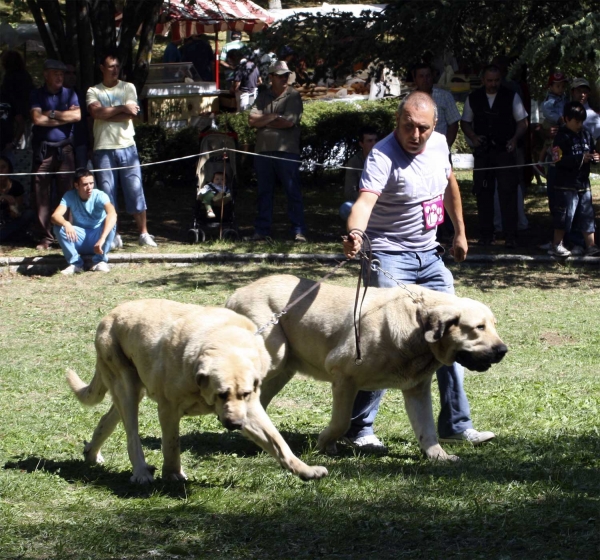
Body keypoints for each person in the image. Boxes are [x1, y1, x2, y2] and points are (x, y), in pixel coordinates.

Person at [342, 91, 495, 450]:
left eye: (422, 128)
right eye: (408, 126)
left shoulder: (440, 145)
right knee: (384, 340)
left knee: (454, 335)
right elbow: (364, 203)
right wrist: (355, 234)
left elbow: (450, 186)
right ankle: (359, 429)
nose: (415, 135)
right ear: (398, 121)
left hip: (429, 255)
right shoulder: (382, 154)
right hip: (387, 255)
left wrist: (460, 231)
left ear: (434, 126)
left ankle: (456, 425)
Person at [86, 48, 157, 248]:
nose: (115, 70)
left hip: (127, 146)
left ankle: (143, 233)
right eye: (111, 67)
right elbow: (96, 113)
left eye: (117, 66)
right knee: (108, 193)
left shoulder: (128, 87)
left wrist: (108, 112)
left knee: (135, 189)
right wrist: (120, 109)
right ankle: (113, 234)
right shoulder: (93, 91)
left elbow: (132, 114)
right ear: (102, 68)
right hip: (103, 148)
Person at [461, 64, 528, 247]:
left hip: (505, 151)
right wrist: (473, 137)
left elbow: (523, 122)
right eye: (489, 80)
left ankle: (510, 236)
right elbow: (465, 122)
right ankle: (486, 235)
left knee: (508, 193)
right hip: (483, 153)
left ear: (501, 79)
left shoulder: (511, 96)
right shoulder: (473, 98)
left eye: (496, 80)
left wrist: (514, 139)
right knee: (483, 193)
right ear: (483, 80)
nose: (493, 84)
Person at [247, 60, 307, 242]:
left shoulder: (293, 96)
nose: (284, 79)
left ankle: (298, 230)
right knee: (264, 192)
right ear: (271, 77)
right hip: (263, 151)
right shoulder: (263, 95)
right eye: (280, 76)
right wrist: (273, 116)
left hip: (287, 151)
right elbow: (251, 120)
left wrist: (263, 120)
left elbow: (288, 122)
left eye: (286, 75)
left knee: (292, 191)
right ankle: (262, 231)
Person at [30, 59, 80, 250]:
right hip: (43, 150)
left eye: (62, 74)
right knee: (40, 194)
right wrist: (62, 117)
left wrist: (50, 114)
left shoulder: (70, 93)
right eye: (56, 73)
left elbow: (76, 116)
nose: (60, 77)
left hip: (65, 149)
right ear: (45, 74)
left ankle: (65, 235)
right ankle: (45, 237)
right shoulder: (36, 94)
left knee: (66, 193)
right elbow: (36, 119)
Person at [548, 101, 600, 257]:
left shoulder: (585, 134)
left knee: (587, 215)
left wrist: (595, 157)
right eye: (576, 121)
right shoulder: (561, 137)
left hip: (583, 183)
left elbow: (591, 150)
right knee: (564, 216)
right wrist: (579, 159)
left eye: (581, 121)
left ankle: (591, 245)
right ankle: (556, 244)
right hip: (565, 185)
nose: (579, 124)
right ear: (566, 119)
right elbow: (558, 161)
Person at [51, 167, 117, 274]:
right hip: (78, 238)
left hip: (98, 239)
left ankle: (100, 261)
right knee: (58, 226)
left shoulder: (100, 195)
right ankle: (76, 264)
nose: (89, 187)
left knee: (111, 221)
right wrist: (66, 223)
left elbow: (112, 213)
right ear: (76, 185)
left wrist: (102, 238)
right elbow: (55, 216)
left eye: (91, 183)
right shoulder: (69, 195)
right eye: (85, 184)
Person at [412, 62, 460, 149]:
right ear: (415, 79)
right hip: (417, 151)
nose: (425, 79)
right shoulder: (409, 100)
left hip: (440, 149)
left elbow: (453, 124)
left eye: (428, 76)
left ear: (432, 77)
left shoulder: (445, 96)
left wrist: (446, 146)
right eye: (421, 76)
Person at [339, 126, 378, 220]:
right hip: (364, 202)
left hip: (385, 203)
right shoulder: (354, 162)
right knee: (345, 208)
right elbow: (349, 192)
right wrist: (367, 198)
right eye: (369, 141)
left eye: (375, 140)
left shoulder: (386, 159)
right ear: (361, 144)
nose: (374, 144)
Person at [0, 50, 33, 156]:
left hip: (13, 109)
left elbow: (9, 94)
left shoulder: (9, 77)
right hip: (26, 110)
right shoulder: (26, 75)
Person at [0, 155, 34, 243]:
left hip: (9, 222)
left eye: (3, 167)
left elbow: (18, 211)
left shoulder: (16, 186)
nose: (1, 170)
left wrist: (13, 207)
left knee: (29, 214)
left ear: (9, 169)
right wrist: (2, 197)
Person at [63, 63, 91, 169]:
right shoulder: (54, 95)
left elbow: (88, 120)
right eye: (68, 73)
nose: (72, 76)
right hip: (61, 143)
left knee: (82, 174)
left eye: (74, 73)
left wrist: (91, 146)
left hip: (80, 142)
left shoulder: (81, 95)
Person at [570, 78, 600, 149]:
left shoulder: (591, 114)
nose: (582, 94)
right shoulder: (565, 108)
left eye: (585, 92)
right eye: (578, 91)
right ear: (572, 92)